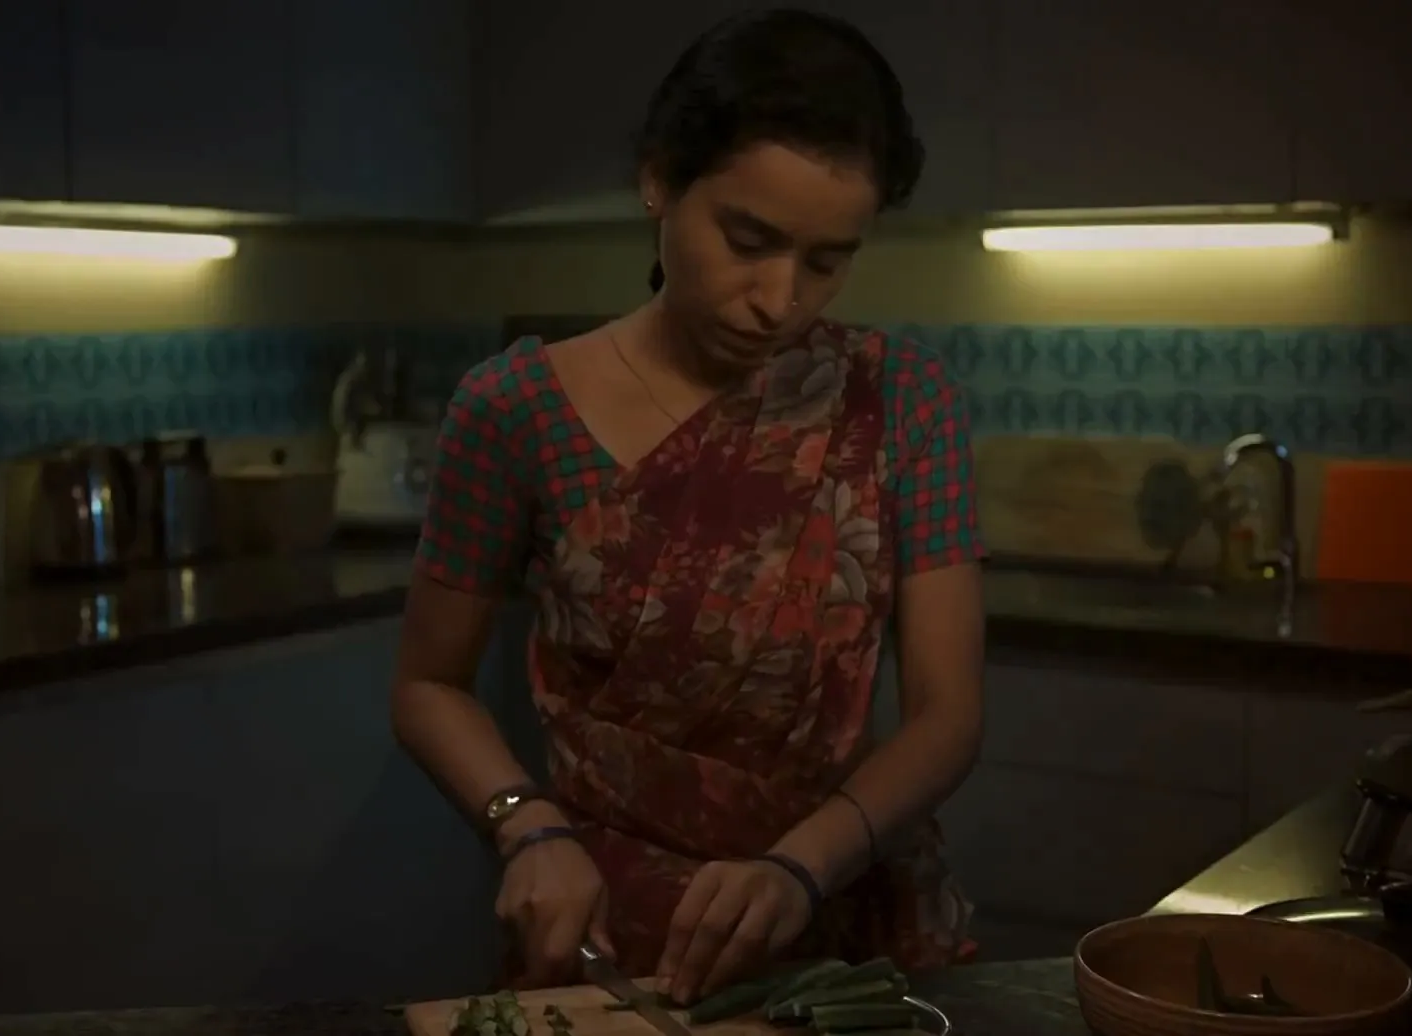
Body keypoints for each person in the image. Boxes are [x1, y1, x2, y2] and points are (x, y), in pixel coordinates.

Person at [391, 7, 985, 1004]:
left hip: (844, 924)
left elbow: (948, 715)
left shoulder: (901, 402)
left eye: (827, 261)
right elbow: (427, 683)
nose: (779, 299)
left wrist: (801, 866)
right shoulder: (514, 411)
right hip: (611, 940)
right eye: (748, 240)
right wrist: (525, 825)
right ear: (660, 178)